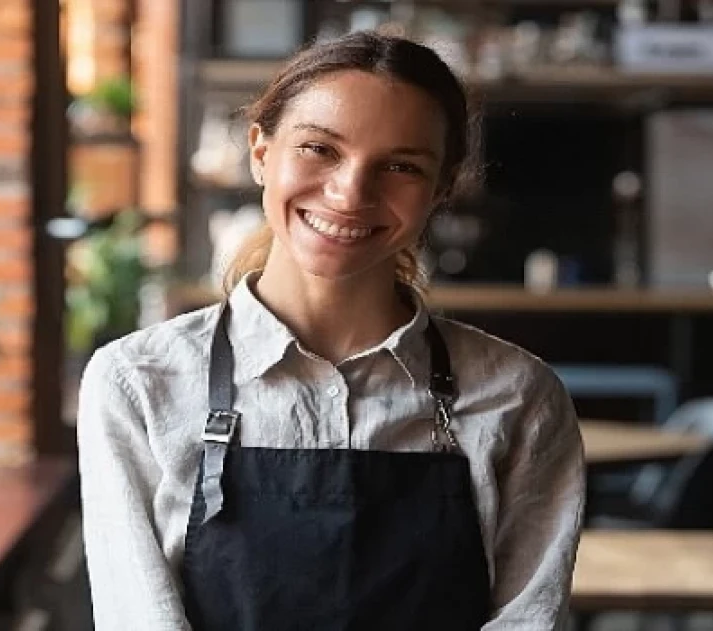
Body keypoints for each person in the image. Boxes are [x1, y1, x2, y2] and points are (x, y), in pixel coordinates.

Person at [76, 31, 585, 630]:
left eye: (400, 166)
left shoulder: (518, 395)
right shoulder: (138, 382)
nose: (351, 193)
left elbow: (528, 621)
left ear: (442, 188)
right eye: (320, 149)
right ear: (261, 151)